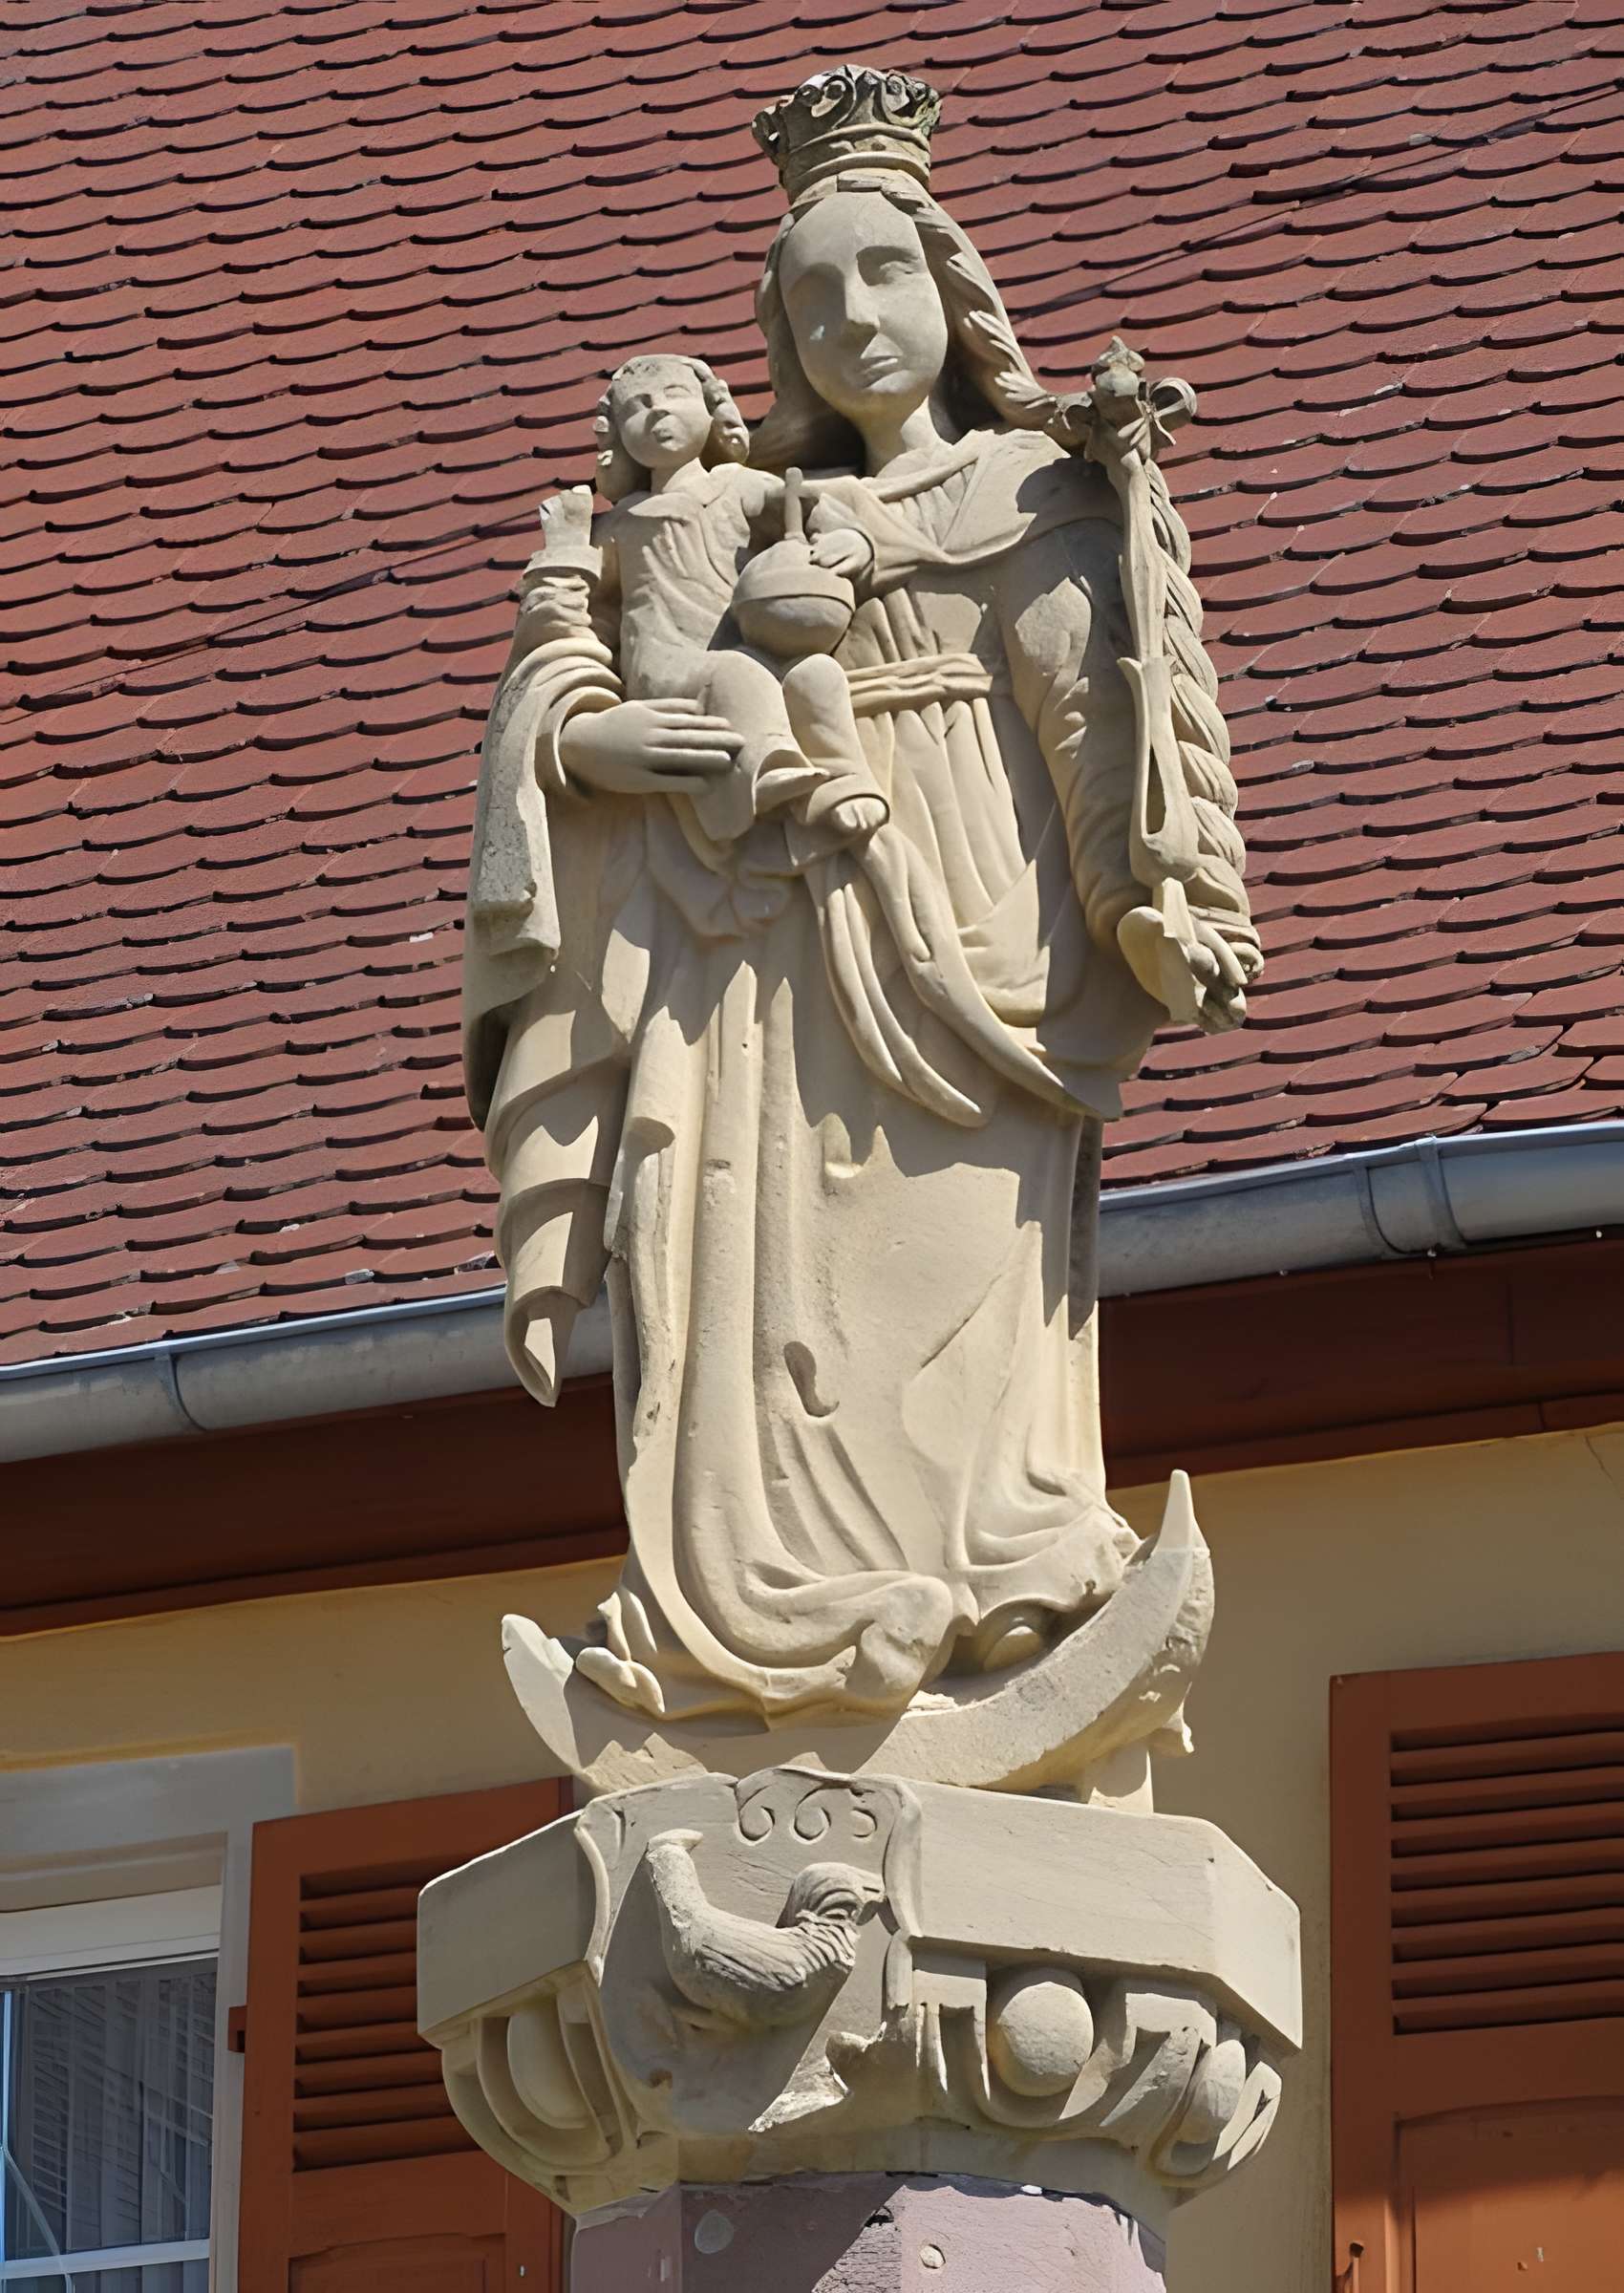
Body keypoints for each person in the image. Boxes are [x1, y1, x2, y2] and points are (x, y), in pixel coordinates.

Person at [463, 70, 1260, 1725]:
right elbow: (578, 674)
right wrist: (601, 745)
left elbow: (1090, 733)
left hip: (979, 922)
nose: (854, 320)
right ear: (778, 338)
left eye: (886, 274)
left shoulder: (1034, 494)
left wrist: (1140, 908)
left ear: (955, 294)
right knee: (766, 1276)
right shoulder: (743, 507)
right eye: (813, 296)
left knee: (961, 1265)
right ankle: (769, 1608)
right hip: (764, 933)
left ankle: (1010, 1565)